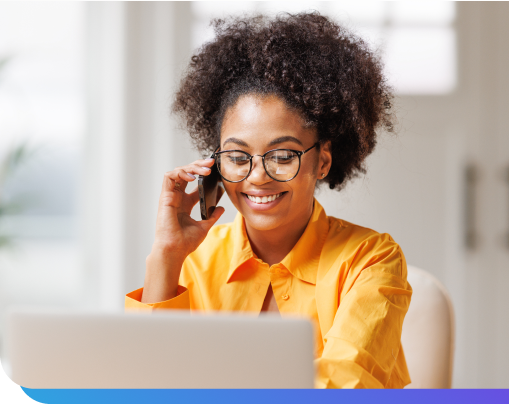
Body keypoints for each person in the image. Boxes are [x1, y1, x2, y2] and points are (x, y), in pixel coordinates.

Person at [125, 11, 412, 389]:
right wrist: (166, 254)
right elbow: (145, 382)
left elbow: (344, 385)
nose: (257, 177)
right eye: (237, 157)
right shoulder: (195, 260)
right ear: (214, 164)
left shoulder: (372, 260)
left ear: (322, 160)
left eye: (281, 156)